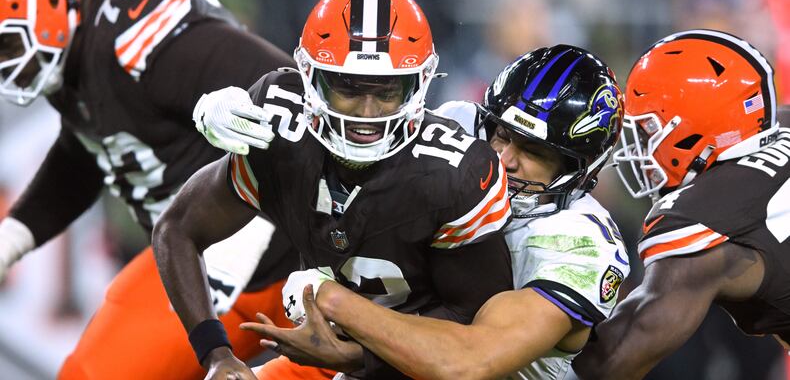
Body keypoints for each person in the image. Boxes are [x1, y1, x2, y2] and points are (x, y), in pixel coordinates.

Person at [152, 0, 515, 380]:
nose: (366, 112)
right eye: (347, 88)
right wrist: (216, 354)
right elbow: (177, 230)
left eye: (387, 91)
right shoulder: (281, 128)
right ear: (309, 77)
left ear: (419, 84)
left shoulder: (453, 174)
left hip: (422, 368)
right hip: (330, 358)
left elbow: (476, 344)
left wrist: (352, 356)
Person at [222, 45, 630, 379]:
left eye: (534, 152)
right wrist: (241, 107)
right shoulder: (458, 131)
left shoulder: (578, 247)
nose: (504, 159)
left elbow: (467, 361)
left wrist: (334, 304)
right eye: (502, 136)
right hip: (375, 355)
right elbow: (348, 123)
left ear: (580, 168)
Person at [0, 0, 300, 378]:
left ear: (49, 2)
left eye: (5, 42)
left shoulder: (135, 35)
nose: (4, 61)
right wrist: (11, 238)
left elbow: (289, 93)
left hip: (284, 251)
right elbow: (84, 154)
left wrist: (246, 217)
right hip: (195, 264)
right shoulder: (78, 58)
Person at [571, 29, 790, 379]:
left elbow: (610, 361)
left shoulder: (703, 215)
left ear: (693, 130)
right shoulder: (781, 121)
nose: (639, 148)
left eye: (646, 131)